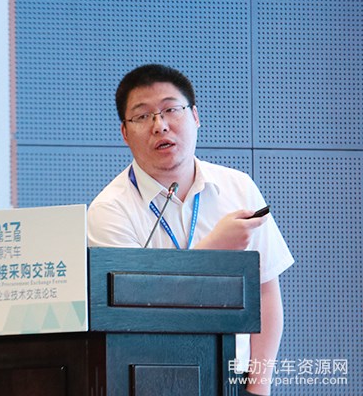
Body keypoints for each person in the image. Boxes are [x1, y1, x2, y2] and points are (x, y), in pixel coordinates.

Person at [87, 64, 294, 395]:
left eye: (171, 109)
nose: (160, 125)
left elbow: (266, 293)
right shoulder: (109, 211)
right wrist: (214, 250)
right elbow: (135, 311)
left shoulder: (238, 187)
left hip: (233, 378)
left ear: (195, 116)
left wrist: (259, 386)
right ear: (124, 133)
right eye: (142, 116)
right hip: (148, 381)